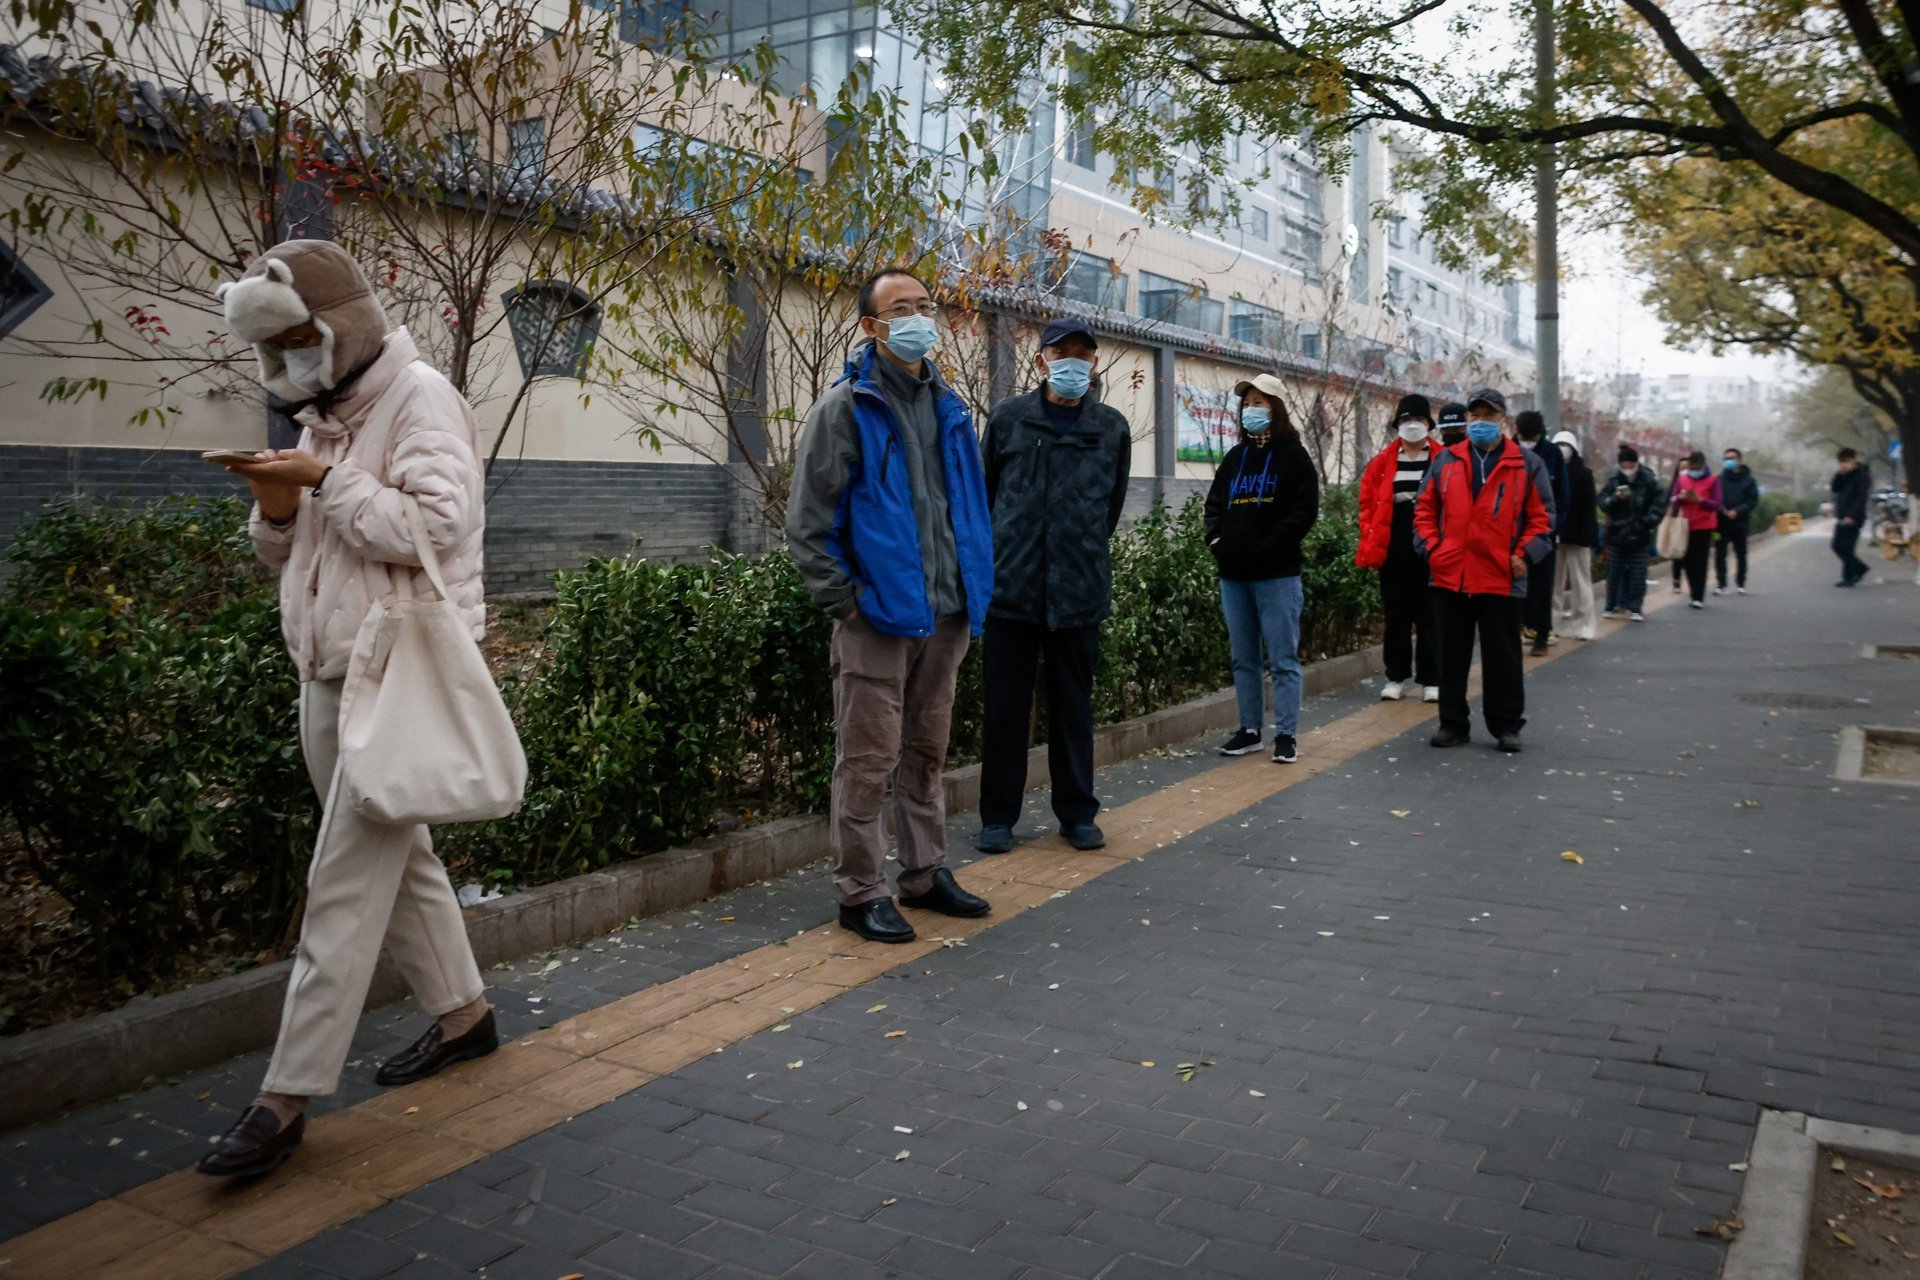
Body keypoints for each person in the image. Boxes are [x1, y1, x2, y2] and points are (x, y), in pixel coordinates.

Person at [198, 240, 496, 1178]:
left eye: (299, 339)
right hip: (328, 670)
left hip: (392, 676)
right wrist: (275, 501)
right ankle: (466, 1018)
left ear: (341, 324)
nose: (289, 363)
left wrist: (323, 480)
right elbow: (286, 553)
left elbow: (436, 526)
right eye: (276, 347)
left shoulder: (419, 397)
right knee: (398, 858)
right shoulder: (330, 412)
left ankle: (283, 1097)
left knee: (343, 877)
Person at [785, 268, 995, 944]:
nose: (917, 318)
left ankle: (925, 872)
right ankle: (860, 891)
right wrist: (847, 605)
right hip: (876, 620)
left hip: (945, 614)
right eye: (899, 308)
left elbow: (966, 508)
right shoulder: (845, 409)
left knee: (927, 753)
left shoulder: (951, 408)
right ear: (872, 327)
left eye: (925, 307)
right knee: (868, 762)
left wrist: (971, 589)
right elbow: (808, 525)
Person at [976, 318, 1132, 856]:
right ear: (1041, 358)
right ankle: (997, 818)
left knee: (1073, 710)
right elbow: (984, 496)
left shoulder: (1110, 426)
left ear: (1094, 363)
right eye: (1061, 352)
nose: (1073, 362)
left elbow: (1109, 508)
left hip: (1079, 592)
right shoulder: (1009, 419)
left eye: (1083, 354)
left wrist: (1076, 552)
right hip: (1011, 591)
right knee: (1004, 711)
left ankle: (1077, 815)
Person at [1413, 387, 1554, 753]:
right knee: (1451, 656)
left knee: (1503, 658)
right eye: (1475, 416)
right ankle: (1452, 723)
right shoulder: (1447, 460)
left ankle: (1507, 726)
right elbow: (1424, 510)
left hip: (1502, 577)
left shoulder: (1526, 464)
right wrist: (1432, 549)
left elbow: (1543, 519)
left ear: (1503, 421)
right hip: (1451, 575)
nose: (1480, 423)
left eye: (1488, 417)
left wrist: (1524, 556)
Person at [1205, 373, 1320, 763]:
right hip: (1234, 577)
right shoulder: (1235, 458)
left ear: (1277, 408)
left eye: (1260, 402)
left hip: (1278, 575)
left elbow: (1304, 512)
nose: (1252, 409)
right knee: (1243, 658)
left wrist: (1269, 547)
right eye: (1248, 403)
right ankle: (1250, 729)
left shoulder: (1294, 456)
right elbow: (1214, 508)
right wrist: (1218, 543)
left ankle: (1286, 734)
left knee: (1283, 658)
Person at [1356, 393, 1439, 703]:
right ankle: (1395, 676)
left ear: (1429, 424)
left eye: (1418, 419)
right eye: (1406, 420)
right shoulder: (1382, 462)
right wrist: (1370, 530)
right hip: (1393, 545)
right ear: (1397, 424)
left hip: (1431, 543)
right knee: (1396, 615)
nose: (1412, 425)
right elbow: (1366, 502)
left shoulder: (1443, 458)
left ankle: (1432, 679)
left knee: (1430, 614)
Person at [1514, 410, 1569, 655]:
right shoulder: (1507, 449)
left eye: (1530, 437)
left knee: (1542, 586)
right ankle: (1517, 631)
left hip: (1542, 530)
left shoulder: (1551, 453)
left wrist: (1555, 529)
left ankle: (1542, 636)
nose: (1525, 441)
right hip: (1512, 533)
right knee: (1513, 586)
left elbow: (1562, 496)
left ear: (1539, 433)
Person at [1600, 444, 1662, 621]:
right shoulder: (1613, 479)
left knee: (1638, 573)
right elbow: (1602, 502)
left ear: (1636, 464)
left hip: (1640, 534)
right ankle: (1610, 605)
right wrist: (1614, 499)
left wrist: (1645, 522)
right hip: (1617, 534)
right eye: (1624, 467)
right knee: (1613, 572)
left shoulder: (1649, 480)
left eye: (1630, 466)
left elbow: (1659, 505)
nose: (1627, 470)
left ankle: (1635, 607)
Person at [1550, 430, 1600, 640]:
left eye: (1567, 445)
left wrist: (1588, 537)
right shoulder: (1547, 470)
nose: (1563, 449)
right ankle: (1552, 625)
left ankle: (1584, 625)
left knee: (1581, 584)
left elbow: (1589, 509)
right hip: (1553, 536)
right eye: (1559, 444)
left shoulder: (1584, 474)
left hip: (1578, 537)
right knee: (1553, 584)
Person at [1667, 450, 1723, 608]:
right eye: (1691, 466)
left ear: (1703, 465)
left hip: (1704, 525)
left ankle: (1698, 596)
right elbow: (1673, 498)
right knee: (1686, 560)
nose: (1694, 469)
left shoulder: (1713, 480)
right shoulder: (1682, 479)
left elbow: (1717, 504)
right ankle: (1693, 591)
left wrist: (1701, 500)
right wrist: (1680, 498)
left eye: (1696, 466)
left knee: (1700, 561)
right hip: (1685, 525)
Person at [1715, 447, 1760, 594]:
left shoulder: (1749, 480)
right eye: (1726, 458)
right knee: (1719, 553)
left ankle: (1741, 583)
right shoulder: (1719, 479)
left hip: (1740, 523)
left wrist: (1738, 511)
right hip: (1720, 524)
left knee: (1741, 553)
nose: (1729, 461)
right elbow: (1714, 498)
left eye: (1732, 458)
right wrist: (1722, 509)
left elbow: (1752, 501)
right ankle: (1721, 584)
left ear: (1739, 460)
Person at [1831, 447, 1873, 586]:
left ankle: (1848, 578)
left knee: (1847, 547)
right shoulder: (1845, 474)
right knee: (1837, 545)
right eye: (1842, 462)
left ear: (1854, 459)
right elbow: (1835, 488)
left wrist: (1852, 515)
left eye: (1847, 461)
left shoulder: (1863, 474)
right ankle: (1860, 568)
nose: (1845, 463)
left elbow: (1861, 497)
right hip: (1842, 515)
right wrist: (1840, 474)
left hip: (1855, 517)